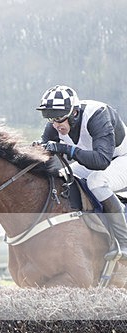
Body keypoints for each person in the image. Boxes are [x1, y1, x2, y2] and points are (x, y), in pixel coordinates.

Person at [36, 84, 127, 258]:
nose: (55, 125)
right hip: (95, 160)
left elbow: (101, 161)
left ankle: (124, 242)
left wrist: (65, 149)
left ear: (75, 113)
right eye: (50, 118)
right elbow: (45, 149)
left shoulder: (98, 115)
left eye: (59, 118)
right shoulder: (56, 124)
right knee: (63, 176)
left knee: (97, 182)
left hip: (121, 159)